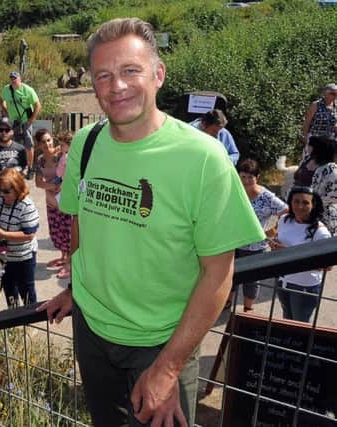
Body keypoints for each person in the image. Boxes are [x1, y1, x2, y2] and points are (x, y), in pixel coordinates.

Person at [37, 18, 264, 427]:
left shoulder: (203, 158)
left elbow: (219, 273)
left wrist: (169, 368)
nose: (116, 86)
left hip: (161, 342)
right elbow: (79, 221)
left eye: (130, 71)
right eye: (103, 75)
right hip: (91, 332)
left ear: (158, 75)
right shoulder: (87, 143)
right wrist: (76, 288)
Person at [226, 159, 288, 311]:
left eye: (250, 177)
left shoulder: (266, 197)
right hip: (233, 243)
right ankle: (227, 302)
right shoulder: (234, 190)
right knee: (229, 277)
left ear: (257, 177)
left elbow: (286, 211)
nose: (246, 181)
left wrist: (273, 229)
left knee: (251, 281)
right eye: (243, 177)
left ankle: (247, 309)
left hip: (255, 246)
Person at [269, 186, 331, 322]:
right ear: (290, 202)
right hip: (282, 281)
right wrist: (274, 244)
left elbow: (326, 267)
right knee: (287, 322)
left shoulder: (321, 232)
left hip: (304, 287)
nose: (300, 206)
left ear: (313, 205)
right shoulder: (284, 220)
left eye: (305, 202)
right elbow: (280, 241)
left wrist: (288, 254)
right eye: (296, 201)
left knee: (300, 327)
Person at [0, 168, 39, 307]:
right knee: (9, 291)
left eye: (6, 192)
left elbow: (29, 234)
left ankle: (30, 321)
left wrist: (3, 234)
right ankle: (14, 321)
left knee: (27, 293)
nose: (2, 195)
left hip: (23, 257)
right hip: (3, 257)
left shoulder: (27, 206)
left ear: (17, 188)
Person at [34, 129, 71, 279]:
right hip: (50, 202)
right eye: (43, 141)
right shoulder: (40, 160)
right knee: (57, 233)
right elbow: (37, 183)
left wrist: (55, 186)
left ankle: (69, 265)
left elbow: (69, 175)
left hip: (65, 202)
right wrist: (53, 187)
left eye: (49, 140)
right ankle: (63, 258)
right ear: (38, 144)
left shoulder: (61, 155)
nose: (47, 143)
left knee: (68, 233)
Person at [0, 71, 41, 179]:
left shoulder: (28, 90)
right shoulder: (6, 89)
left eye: (15, 79)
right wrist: (6, 112)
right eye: (12, 79)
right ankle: (17, 166)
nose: (13, 81)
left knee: (28, 144)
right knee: (14, 144)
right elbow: (1, 100)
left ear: (20, 79)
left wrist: (31, 119)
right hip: (14, 122)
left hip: (26, 120)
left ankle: (30, 168)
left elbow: (37, 105)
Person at [309, 135, 337, 234]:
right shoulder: (324, 167)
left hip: (326, 214)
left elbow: (334, 194)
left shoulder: (329, 168)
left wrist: (315, 204)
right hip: (322, 213)